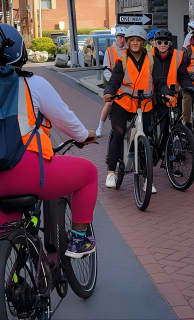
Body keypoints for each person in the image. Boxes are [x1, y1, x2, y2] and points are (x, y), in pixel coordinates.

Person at [0, 23, 97, 259]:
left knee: (6, 232)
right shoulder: (32, 84)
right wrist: (84, 136)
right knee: (89, 173)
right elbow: (66, 120)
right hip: (26, 168)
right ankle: (78, 240)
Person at [103, 25, 156, 193]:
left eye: (138, 40)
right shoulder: (122, 60)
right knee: (118, 133)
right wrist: (109, 92)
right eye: (131, 40)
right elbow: (115, 80)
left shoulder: (151, 59)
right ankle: (111, 172)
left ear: (143, 43)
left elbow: (157, 80)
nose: (134, 43)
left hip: (144, 104)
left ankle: (147, 180)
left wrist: (163, 92)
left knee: (145, 139)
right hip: (123, 103)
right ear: (127, 42)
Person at [152, 29, 194, 143]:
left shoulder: (178, 56)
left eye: (165, 42)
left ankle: (182, 137)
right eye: (159, 42)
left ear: (170, 43)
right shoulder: (149, 56)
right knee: (160, 127)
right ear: (155, 43)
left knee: (177, 119)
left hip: (173, 94)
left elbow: (183, 75)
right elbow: (155, 79)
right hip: (156, 94)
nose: (162, 45)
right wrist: (163, 91)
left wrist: (189, 87)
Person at [96, 26, 127, 137]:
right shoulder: (109, 51)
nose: (122, 40)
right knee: (109, 103)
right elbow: (106, 70)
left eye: (124, 37)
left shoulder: (129, 50)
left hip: (127, 83)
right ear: (116, 37)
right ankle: (100, 127)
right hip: (113, 82)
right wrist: (114, 83)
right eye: (119, 37)